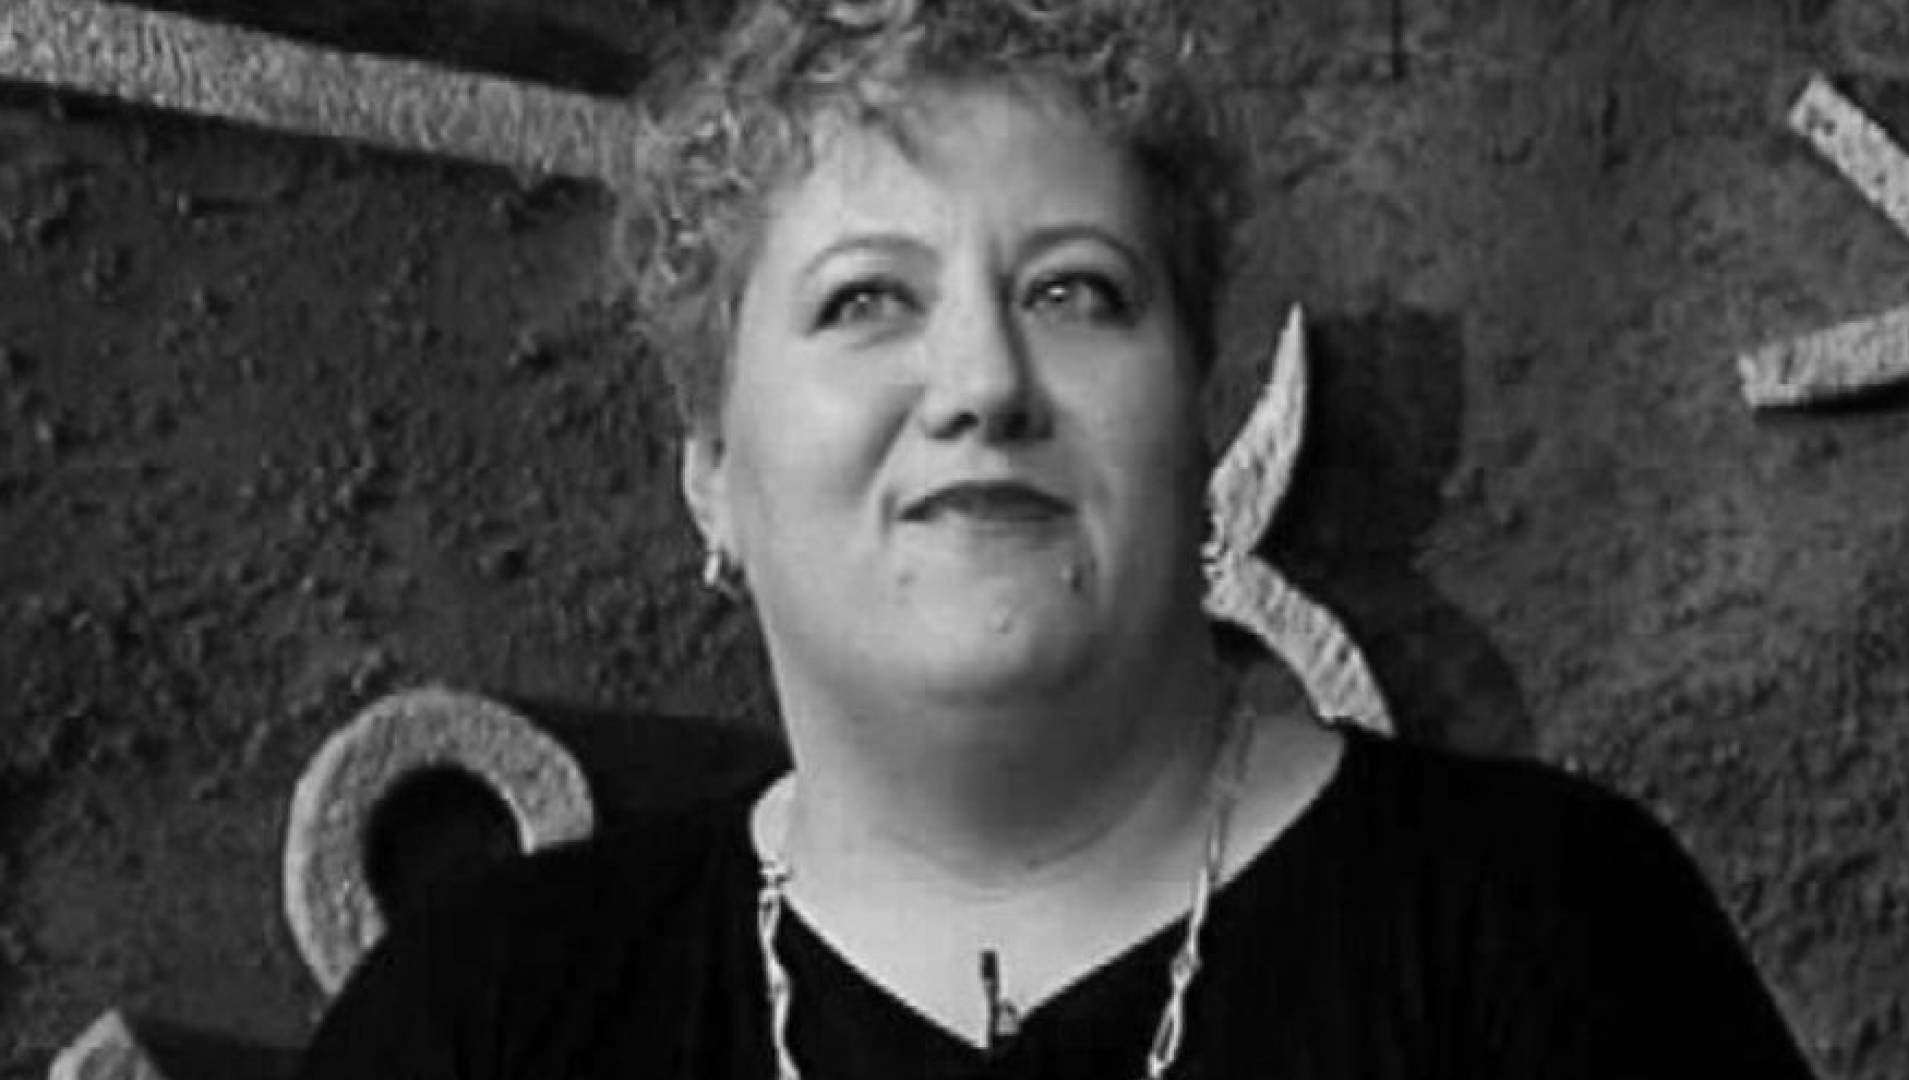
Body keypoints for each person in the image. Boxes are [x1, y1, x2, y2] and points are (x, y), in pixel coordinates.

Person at [298, 1, 1816, 1076]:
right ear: (713, 472)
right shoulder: (485, 1024)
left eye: (1073, 292)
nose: (984, 382)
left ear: (1196, 425)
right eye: (866, 300)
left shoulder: (1546, 930)